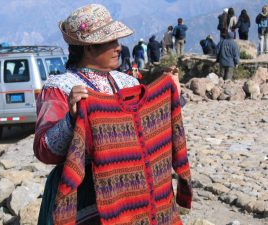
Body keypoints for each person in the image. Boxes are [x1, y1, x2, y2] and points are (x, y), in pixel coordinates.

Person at [34, 3, 190, 225]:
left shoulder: (127, 82)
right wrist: (71, 119)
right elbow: (44, 150)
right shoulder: (61, 88)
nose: (119, 48)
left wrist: (171, 95)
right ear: (88, 48)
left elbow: (147, 127)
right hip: (83, 194)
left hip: (131, 195)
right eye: (111, 42)